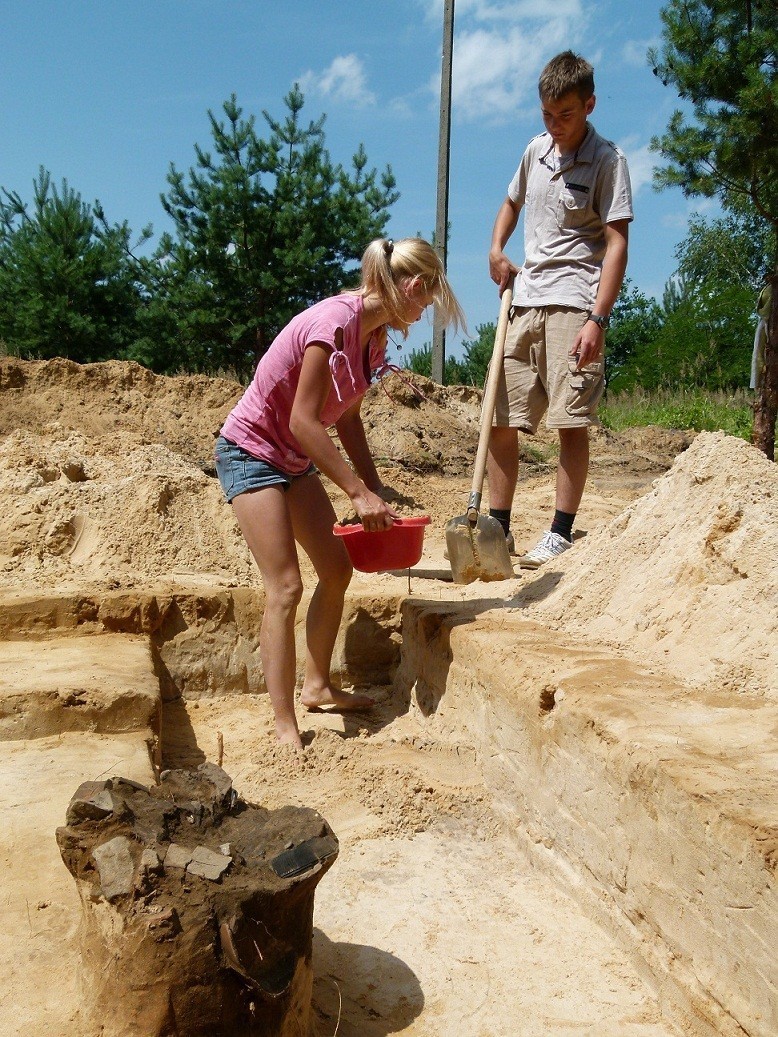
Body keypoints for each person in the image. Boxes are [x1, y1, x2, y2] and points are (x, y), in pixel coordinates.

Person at [214, 237, 465, 749]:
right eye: (427, 300)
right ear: (414, 286)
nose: (423, 313)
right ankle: (284, 722)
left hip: (292, 459)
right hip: (251, 451)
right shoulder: (331, 325)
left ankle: (317, 685)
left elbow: (346, 416)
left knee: (335, 568)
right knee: (284, 586)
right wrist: (353, 492)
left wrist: (373, 487)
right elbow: (303, 421)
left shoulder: (372, 340)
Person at [487, 51, 633, 568]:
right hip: (523, 302)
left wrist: (598, 317)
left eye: (565, 115)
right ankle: (496, 531)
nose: (555, 126)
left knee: (569, 422)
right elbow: (511, 203)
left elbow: (617, 243)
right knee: (503, 420)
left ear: (589, 104)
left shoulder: (609, 161)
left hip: (575, 303)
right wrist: (496, 248)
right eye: (547, 115)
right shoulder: (534, 151)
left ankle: (559, 532)